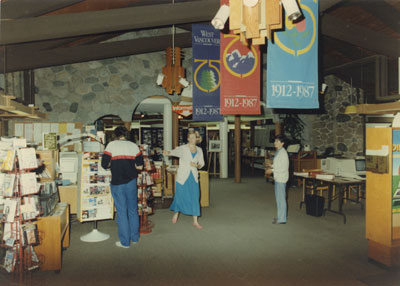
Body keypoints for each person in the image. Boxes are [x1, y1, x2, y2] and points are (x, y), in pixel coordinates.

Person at [101, 126, 144, 248]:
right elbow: (140, 167)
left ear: (116, 135)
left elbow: (104, 164)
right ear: (126, 134)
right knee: (133, 210)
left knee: (121, 212)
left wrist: (114, 164)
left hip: (118, 183)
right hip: (131, 182)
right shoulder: (133, 146)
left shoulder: (111, 145)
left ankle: (125, 242)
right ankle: (135, 238)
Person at [163, 130, 205, 229]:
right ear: (187, 138)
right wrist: (168, 152)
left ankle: (195, 221)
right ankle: (176, 213)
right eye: (189, 137)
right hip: (183, 176)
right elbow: (174, 152)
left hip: (193, 176)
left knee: (195, 197)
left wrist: (197, 165)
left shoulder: (199, 150)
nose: (191, 139)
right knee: (180, 195)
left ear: (197, 139)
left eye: (193, 137)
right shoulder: (183, 148)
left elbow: (202, 163)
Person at [265, 135, 289, 224]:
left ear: (282, 143)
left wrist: (272, 170)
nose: (275, 143)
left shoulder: (283, 153)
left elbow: (283, 167)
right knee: (279, 199)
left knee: (281, 199)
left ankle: (282, 219)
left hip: (281, 178)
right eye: (275, 141)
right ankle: (280, 217)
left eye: (277, 141)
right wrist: (272, 166)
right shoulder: (279, 151)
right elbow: (278, 164)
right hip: (278, 178)